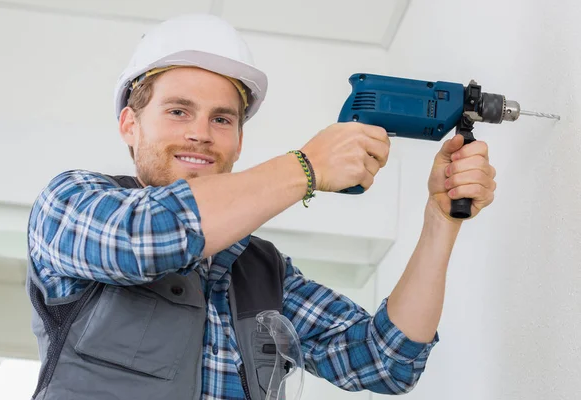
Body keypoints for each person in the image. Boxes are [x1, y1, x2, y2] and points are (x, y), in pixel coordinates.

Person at [25, 13, 497, 400]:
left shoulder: (262, 273)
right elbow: (148, 236)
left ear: (238, 141)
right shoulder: (71, 203)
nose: (201, 133)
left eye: (222, 118)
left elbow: (385, 360)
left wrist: (440, 220)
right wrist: (307, 166)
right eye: (177, 111)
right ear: (130, 125)